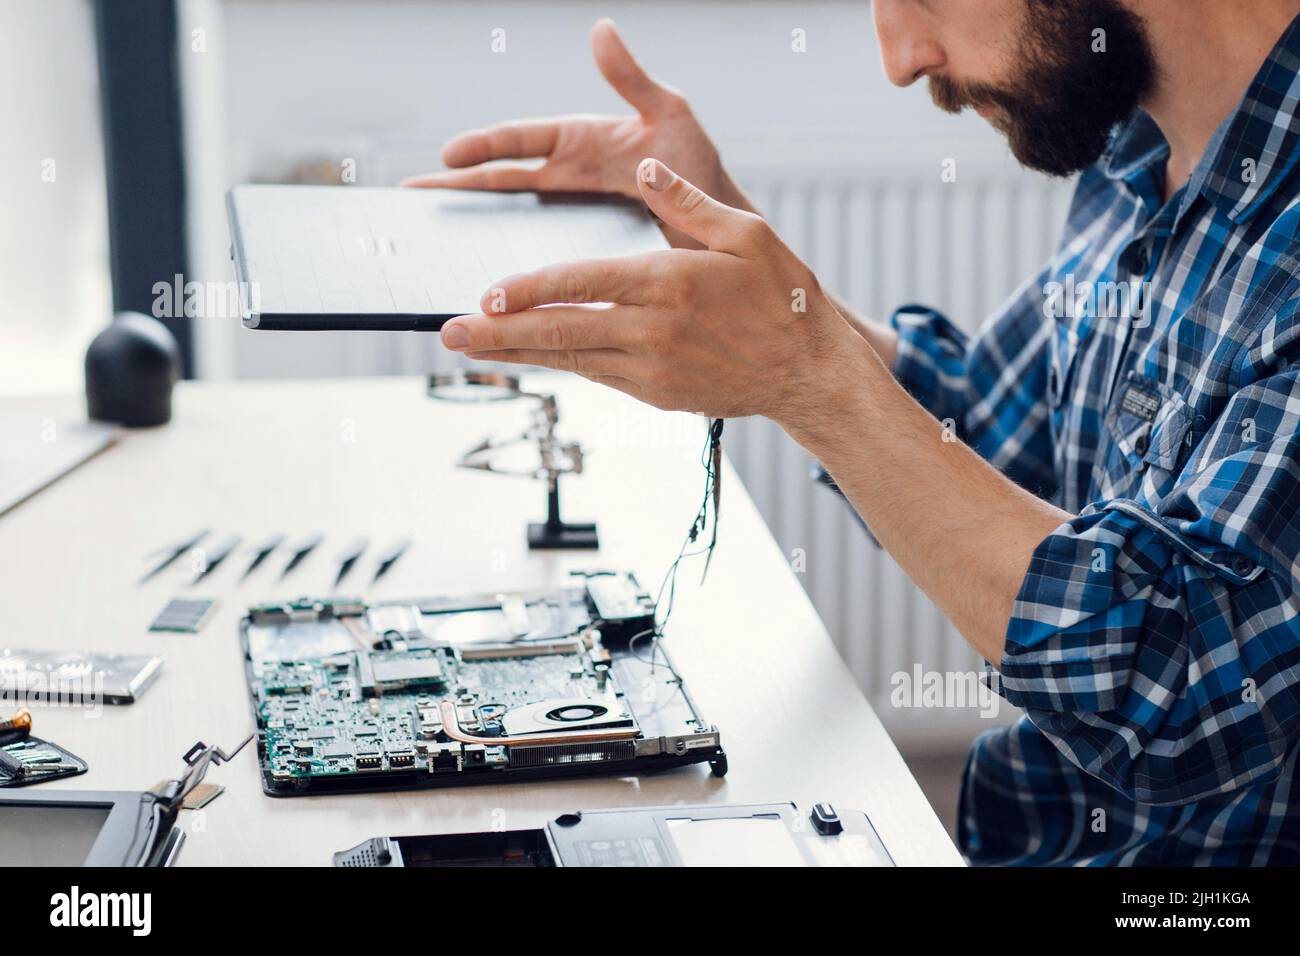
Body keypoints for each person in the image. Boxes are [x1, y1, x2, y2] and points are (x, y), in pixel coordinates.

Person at [405, 2, 1300, 864]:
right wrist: (729, 239)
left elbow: (1178, 692)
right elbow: (986, 426)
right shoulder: (1139, 151)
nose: (899, 56)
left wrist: (809, 377)